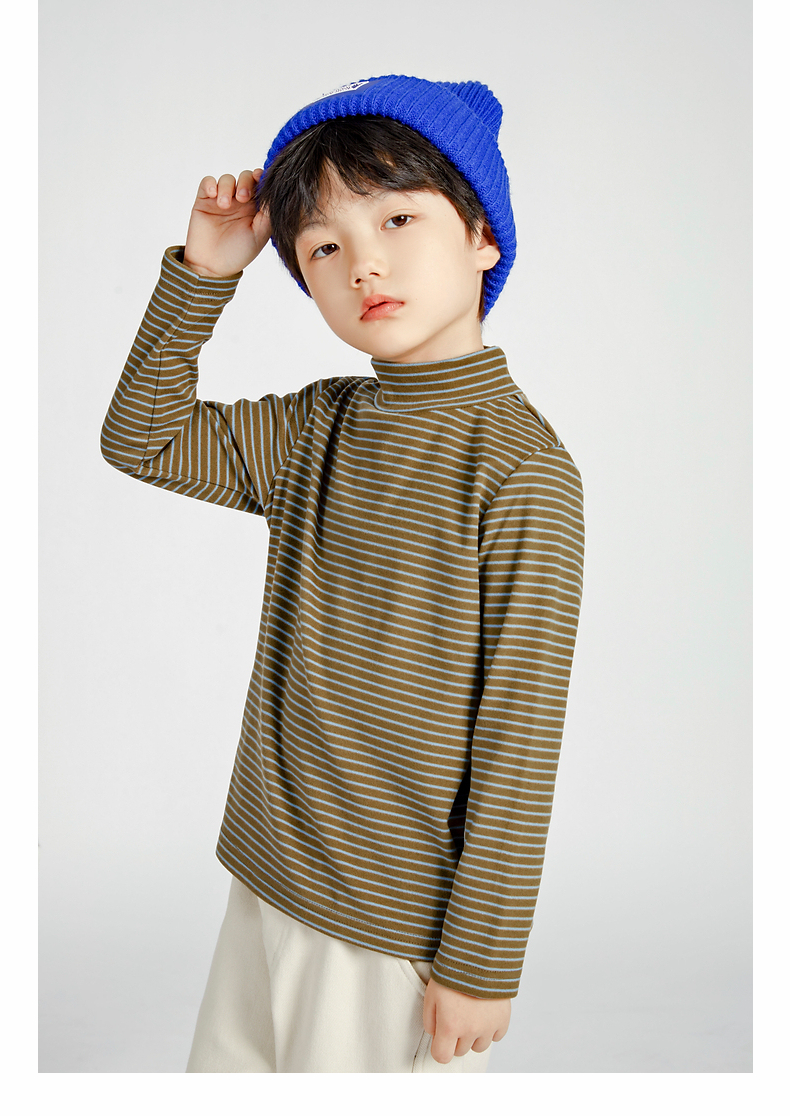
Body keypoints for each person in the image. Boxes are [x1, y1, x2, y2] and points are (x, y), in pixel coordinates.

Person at [100, 73, 585, 1074]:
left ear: (483, 237)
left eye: (398, 218)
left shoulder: (521, 472)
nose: (364, 263)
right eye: (322, 247)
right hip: (265, 878)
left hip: (385, 928)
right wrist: (204, 273)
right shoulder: (316, 427)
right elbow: (141, 439)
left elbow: (519, 735)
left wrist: (483, 961)